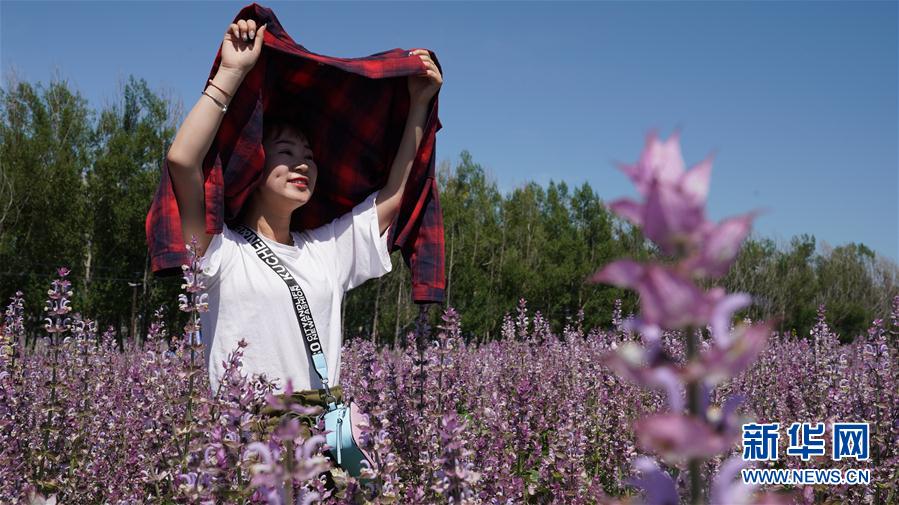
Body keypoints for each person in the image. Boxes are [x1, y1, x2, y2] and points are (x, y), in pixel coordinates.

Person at [164, 16, 442, 488]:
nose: (303, 163)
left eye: (310, 156)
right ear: (255, 163)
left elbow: (394, 196)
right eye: (287, 152)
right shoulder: (220, 253)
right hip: (244, 448)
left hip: (318, 453)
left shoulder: (324, 251)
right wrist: (230, 74)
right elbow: (183, 161)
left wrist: (418, 106)